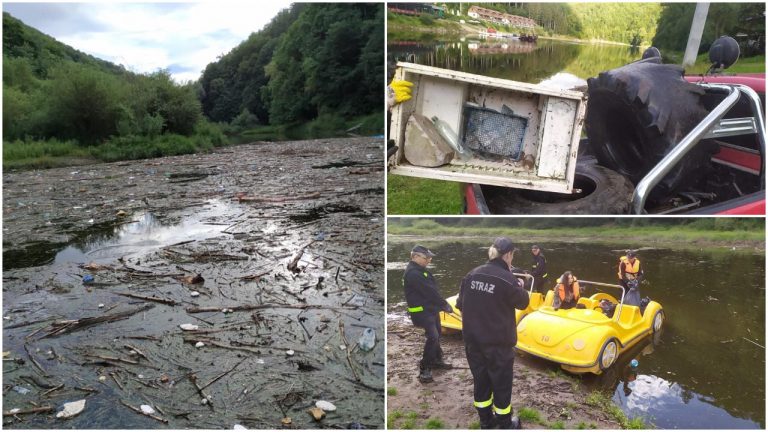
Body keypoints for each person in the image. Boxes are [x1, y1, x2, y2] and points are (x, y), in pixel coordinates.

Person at [456, 237, 529, 429]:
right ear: (508, 255)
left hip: (473, 343)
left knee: (481, 381)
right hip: (498, 344)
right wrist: (520, 286)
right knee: (501, 385)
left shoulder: (472, 274)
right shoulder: (508, 279)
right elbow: (523, 303)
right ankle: (505, 423)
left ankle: (485, 421)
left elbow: (460, 304)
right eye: (512, 255)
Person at [403, 245, 453, 384]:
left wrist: (440, 305)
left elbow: (432, 291)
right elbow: (429, 292)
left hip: (430, 309)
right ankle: (424, 369)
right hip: (421, 312)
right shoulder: (413, 273)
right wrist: (444, 304)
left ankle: (437, 360)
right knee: (433, 337)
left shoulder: (421, 271)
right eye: (426, 258)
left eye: (430, 258)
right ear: (415, 257)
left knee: (437, 334)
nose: (429, 260)